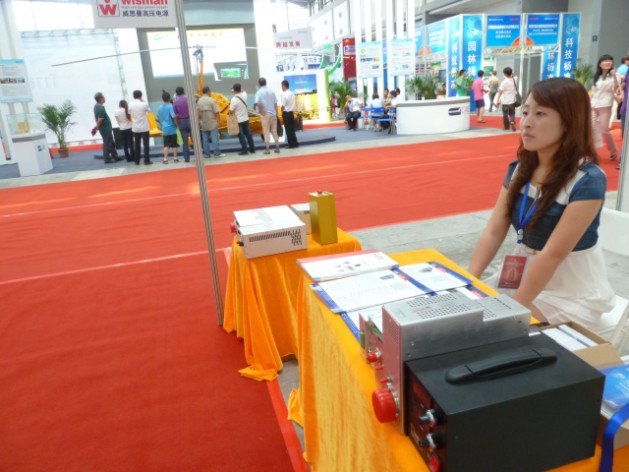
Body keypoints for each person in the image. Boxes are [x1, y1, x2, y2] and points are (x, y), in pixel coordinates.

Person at [469, 77, 615, 329]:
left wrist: (515, 308)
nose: (526, 123)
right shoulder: (519, 169)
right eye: (525, 112)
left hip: (570, 292)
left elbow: (553, 254)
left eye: (540, 114)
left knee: (488, 328)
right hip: (522, 274)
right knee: (466, 315)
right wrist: (467, 283)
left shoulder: (587, 180)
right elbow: (494, 231)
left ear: (569, 122)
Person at [591, 54, 620, 160]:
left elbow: (616, 89)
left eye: (610, 60)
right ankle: (590, 151)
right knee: (590, 129)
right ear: (600, 64)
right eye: (605, 60)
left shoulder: (614, 75)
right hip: (593, 105)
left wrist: (614, 77)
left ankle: (613, 150)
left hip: (605, 105)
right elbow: (594, 92)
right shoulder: (597, 76)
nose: (608, 62)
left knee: (604, 130)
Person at [92, 92, 121, 164]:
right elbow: (100, 120)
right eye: (103, 97)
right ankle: (107, 158)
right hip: (105, 128)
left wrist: (97, 127)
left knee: (110, 142)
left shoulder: (96, 106)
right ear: (100, 98)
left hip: (104, 128)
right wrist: (96, 127)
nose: (105, 98)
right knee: (107, 143)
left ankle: (115, 156)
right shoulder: (100, 108)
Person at [254, 77, 280, 155]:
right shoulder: (272, 91)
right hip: (273, 113)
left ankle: (267, 149)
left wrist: (261, 111)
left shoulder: (259, 92)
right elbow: (275, 103)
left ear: (259, 84)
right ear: (266, 82)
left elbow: (257, 103)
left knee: (266, 131)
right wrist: (277, 114)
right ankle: (277, 147)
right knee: (274, 131)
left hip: (265, 114)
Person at [197, 86, 224, 158]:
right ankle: (217, 153)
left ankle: (207, 154)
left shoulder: (199, 101)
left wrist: (198, 121)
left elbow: (198, 113)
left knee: (205, 139)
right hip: (212, 122)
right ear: (208, 91)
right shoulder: (211, 100)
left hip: (203, 123)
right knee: (214, 138)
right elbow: (216, 112)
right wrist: (219, 120)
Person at [230, 83, 255, 155]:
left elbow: (231, 110)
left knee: (241, 136)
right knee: (248, 134)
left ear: (234, 90)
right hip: (246, 119)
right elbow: (243, 90)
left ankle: (245, 150)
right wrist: (236, 90)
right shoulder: (245, 95)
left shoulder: (234, 99)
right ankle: (252, 149)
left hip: (239, 120)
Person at [128, 90, 152, 165]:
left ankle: (137, 161)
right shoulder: (144, 104)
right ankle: (146, 160)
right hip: (144, 126)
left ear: (133, 96)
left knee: (137, 145)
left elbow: (129, 113)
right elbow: (149, 112)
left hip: (136, 127)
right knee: (146, 144)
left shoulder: (130, 104)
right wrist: (143, 101)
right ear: (141, 96)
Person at [157, 90, 179, 164]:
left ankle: (165, 159)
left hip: (164, 128)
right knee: (174, 145)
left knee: (166, 145)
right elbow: (173, 116)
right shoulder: (170, 106)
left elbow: (160, 118)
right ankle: (175, 158)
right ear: (169, 98)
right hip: (172, 128)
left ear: (162, 99)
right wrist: (177, 121)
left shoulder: (159, 107)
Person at [494, 67, 518, 132]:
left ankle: (506, 127)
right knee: (512, 113)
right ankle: (512, 121)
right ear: (511, 72)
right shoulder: (515, 79)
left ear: (505, 74)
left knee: (505, 114)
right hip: (512, 100)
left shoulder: (504, 82)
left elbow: (500, 92)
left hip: (505, 101)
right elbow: (515, 75)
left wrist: (497, 100)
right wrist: (511, 74)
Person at [173, 86, 192, 162]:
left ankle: (186, 158)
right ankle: (198, 156)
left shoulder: (175, 102)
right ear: (183, 91)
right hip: (191, 120)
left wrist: (177, 125)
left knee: (185, 142)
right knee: (195, 140)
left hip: (181, 121)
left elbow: (175, 115)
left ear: (176, 93)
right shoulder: (189, 99)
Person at [281, 80, 299, 149]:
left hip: (286, 113)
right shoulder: (292, 93)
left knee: (288, 130)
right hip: (291, 113)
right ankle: (295, 143)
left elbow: (283, 105)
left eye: (282, 86)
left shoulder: (285, 95)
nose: (281, 87)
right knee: (292, 129)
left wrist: (281, 110)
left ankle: (291, 144)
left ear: (284, 86)